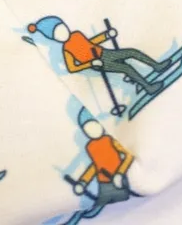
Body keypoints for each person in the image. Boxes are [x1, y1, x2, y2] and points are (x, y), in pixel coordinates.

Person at [28, 16, 165, 95]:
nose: (63, 32)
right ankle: (148, 87)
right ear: (54, 38)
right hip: (99, 62)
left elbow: (91, 42)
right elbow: (72, 68)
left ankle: (156, 66)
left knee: (131, 52)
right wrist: (90, 64)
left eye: (62, 27)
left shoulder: (76, 34)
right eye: (58, 33)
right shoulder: (66, 50)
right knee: (126, 68)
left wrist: (106, 35)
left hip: (104, 53)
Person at [72, 109, 133, 207]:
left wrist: (120, 173)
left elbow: (128, 156)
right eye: (87, 129)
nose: (92, 131)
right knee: (101, 203)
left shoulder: (109, 140)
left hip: (118, 180)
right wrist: (83, 182)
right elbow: (95, 166)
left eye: (94, 125)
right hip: (103, 183)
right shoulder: (90, 146)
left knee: (124, 201)